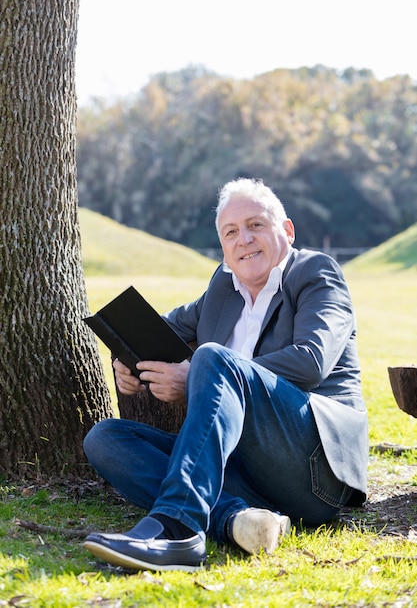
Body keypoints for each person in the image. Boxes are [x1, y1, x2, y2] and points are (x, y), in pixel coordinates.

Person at [83, 178, 368, 572]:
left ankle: (177, 529)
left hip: (314, 471)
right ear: (223, 246)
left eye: (256, 225)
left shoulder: (316, 274)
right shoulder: (223, 288)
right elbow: (161, 330)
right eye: (231, 232)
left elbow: (311, 361)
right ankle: (236, 520)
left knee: (214, 358)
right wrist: (125, 358)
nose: (244, 239)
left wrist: (201, 376)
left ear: (286, 231)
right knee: (107, 439)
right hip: (241, 471)